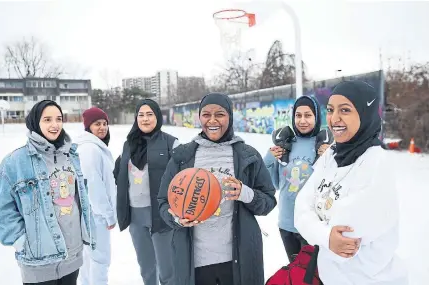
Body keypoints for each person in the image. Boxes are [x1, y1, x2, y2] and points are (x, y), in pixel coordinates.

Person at [294, 80, 408, 285]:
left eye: (345, 110)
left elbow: (346, 234)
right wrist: (326, 235)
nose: (334, 118)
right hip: (330, 278)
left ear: (365, 114)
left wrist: (317, 228)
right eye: (330, 110)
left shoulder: (376, 162)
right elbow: (300, 209)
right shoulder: (331, 155)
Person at [157, 92, 277, 285]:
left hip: (238, 259)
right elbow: (163, 201)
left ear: (229, 116)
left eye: (220, 114)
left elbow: (269, 201)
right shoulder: (182, 156)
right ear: (199, 117)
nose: (212, 120)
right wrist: (176, 217)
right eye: (206, 114)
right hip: (195, 261)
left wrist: (245, 193)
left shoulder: (248, 156)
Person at [0, 100, 96, 285]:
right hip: (39, 262)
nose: (54, 125)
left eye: (58, 119)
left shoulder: (70, 155)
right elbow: (0, 210)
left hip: (72, 256)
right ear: (35, 122)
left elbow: (80, 198)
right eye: (47, 119)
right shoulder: (15, 162)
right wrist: (22, 241)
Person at [114, 99, 179, 285]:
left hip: (161, 215)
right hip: (136, 217)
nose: (145, 119)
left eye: (150, 114)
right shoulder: (129, 144)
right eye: (141, 115)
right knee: (146, 268)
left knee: (168, 270)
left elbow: (183, 178)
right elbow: (120, 173)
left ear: (157, 116)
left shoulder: (171, 143)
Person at [263, 95, 332, 262]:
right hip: (287, 223)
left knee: (313, 275)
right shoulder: (285, 145)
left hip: (313, 224)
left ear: (316, 117)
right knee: (295, 273)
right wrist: (270, 157)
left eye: (308, 115)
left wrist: (330, 156)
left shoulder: (324, 146)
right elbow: (273, 184)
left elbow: (333, 183)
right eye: (298, 115)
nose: (302, 120)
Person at [75, 107, 117, 285]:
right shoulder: (91, 149)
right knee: (100, 261)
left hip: (89, 215)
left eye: (105, 124)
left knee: (89, 261)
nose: (102, 127)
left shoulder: (92, 147)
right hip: (96, 216)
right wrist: (107, 215)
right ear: (88, 127)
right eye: (97, 124)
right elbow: (93, 186)